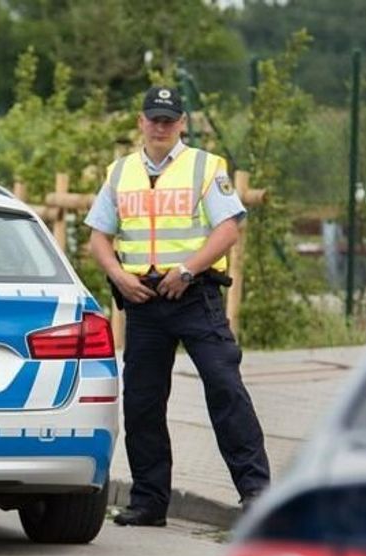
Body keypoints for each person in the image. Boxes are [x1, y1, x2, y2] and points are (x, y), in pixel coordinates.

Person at [85, 86, 270, 527]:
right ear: (141, 121)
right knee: (143, 403)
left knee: (225, 387)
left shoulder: (205, 167)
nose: (161, 126)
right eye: (154, 118)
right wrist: (120, 277)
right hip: (143, 299)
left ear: (182, 123)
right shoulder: (120, 172)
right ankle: (149, 502)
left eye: (169, 119)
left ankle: (257, 494)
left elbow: (228, 230)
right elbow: (98, 238)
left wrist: (187, 270)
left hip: (193, 294)